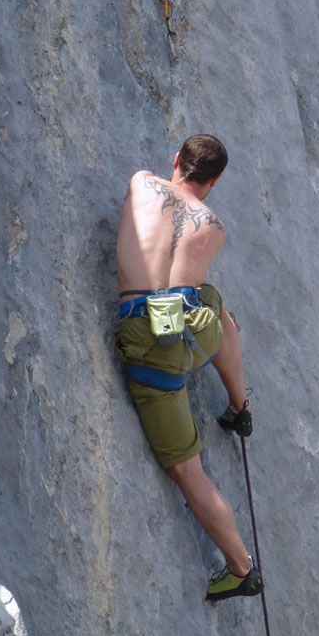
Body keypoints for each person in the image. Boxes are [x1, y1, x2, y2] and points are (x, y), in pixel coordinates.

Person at [115, 134, 263, 602]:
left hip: (149, 336)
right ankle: (239, 406)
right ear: (213, 182)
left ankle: (242, 568)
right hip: (195, 330)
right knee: (213, 302)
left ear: (176, 160)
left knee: (187, 469)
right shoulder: (214, 226)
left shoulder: (142, 182)